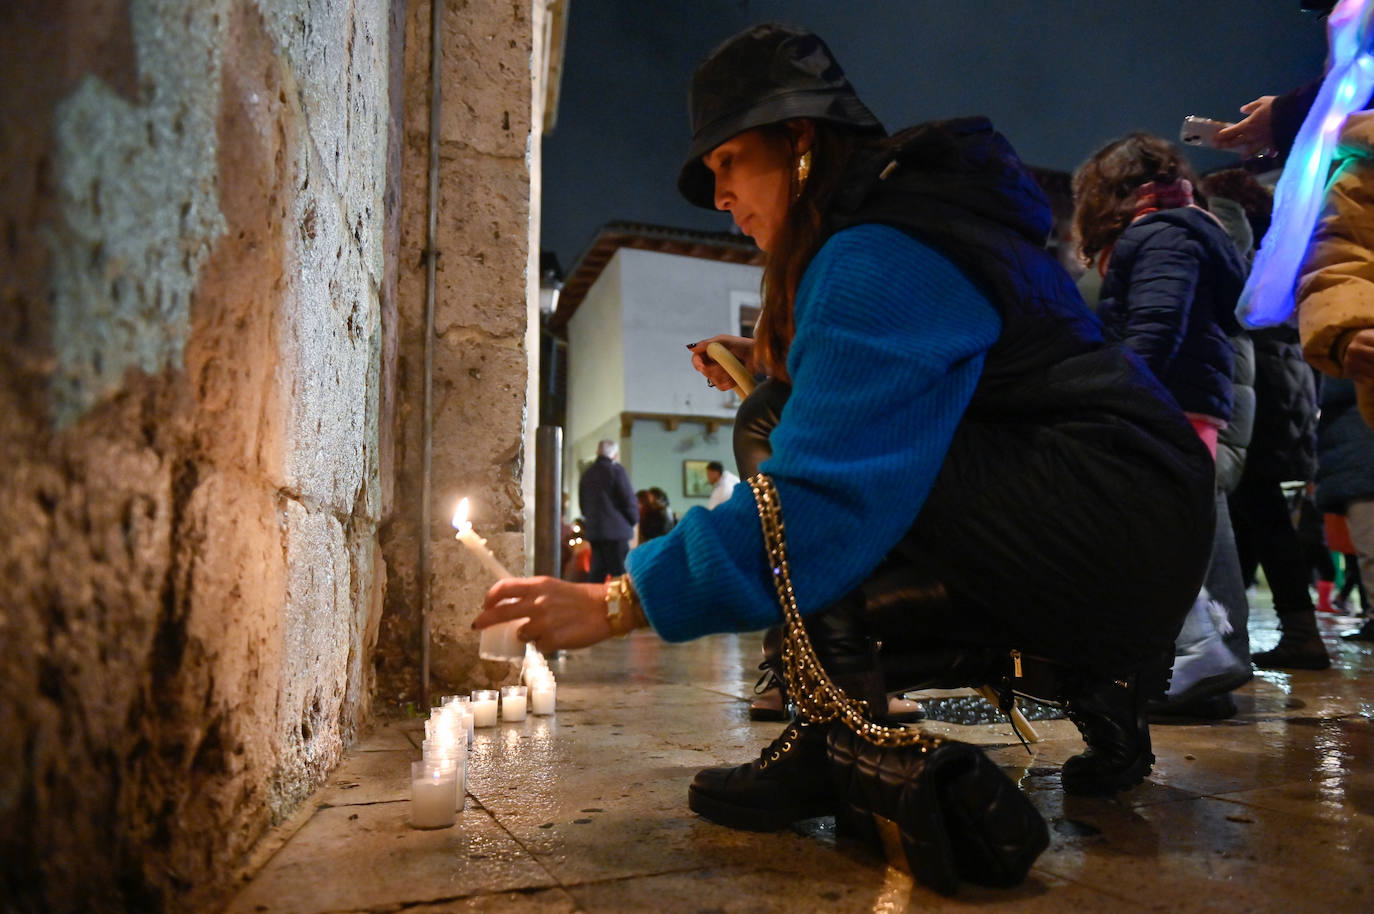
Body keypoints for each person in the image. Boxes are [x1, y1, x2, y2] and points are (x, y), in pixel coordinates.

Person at [476, 25, 1215, 828]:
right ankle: (1102, 690)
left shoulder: (876, 251)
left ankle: (831, 737)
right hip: (1139, 527)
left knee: (780, 424)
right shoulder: (915, 219)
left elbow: (821, 501)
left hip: (1105, 520)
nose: (719, 196)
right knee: (789, 413)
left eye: (729, 161)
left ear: (798, 140)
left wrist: (621, 600)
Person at [1072, 133, 1254, 706]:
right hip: (1181, 398)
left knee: (1154, 529)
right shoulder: (1182, 226)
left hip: (1164, 400)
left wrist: (1120, 393)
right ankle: (1200, 659)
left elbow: (1155, 324)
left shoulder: (1159, 233)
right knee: (1173, 525)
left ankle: (1203, 653)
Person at [577, 439, 638, 582]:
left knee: (597, 574)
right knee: (621, 576)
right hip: (617, 533)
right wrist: (632, 520)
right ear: (615, 454)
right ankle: (618, 604)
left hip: (596, 532)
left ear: (597, 452)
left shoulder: (587, 474)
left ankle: (593, 603)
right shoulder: (616, 471)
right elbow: (628, 500)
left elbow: (583, 504)